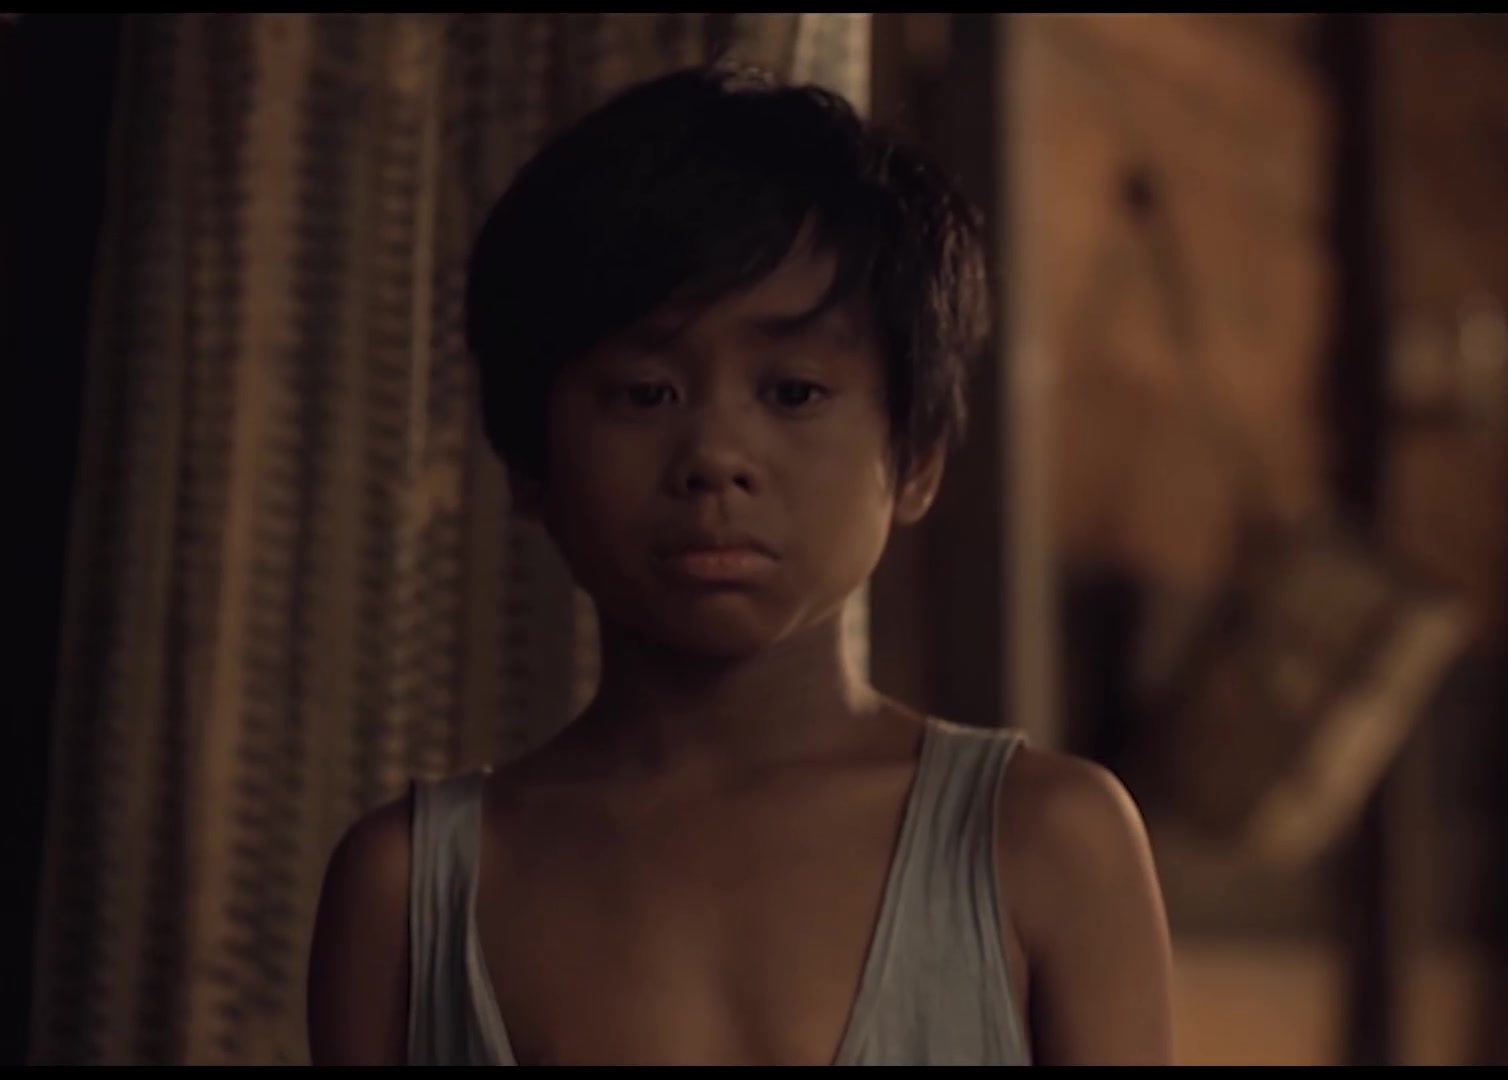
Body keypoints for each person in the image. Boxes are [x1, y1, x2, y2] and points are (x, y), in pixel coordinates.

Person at [305, 62, 1174, 1067]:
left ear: (917, 461)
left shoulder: (1045, 845)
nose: (716, 456)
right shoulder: (409, 891)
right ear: (529, 466)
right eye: (645, 393)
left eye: (794, 392)